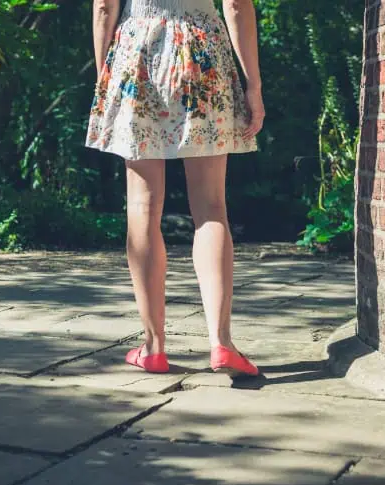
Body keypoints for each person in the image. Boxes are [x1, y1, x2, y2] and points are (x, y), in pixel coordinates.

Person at [87, 0, 264, 376]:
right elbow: (236, 4)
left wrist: (106, 75)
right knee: (211, 206)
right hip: (203, 52)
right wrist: (254, 85)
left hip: (138, 52)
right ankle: (221, 343)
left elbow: (103, 7)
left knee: (142, 207)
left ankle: (154, 348)